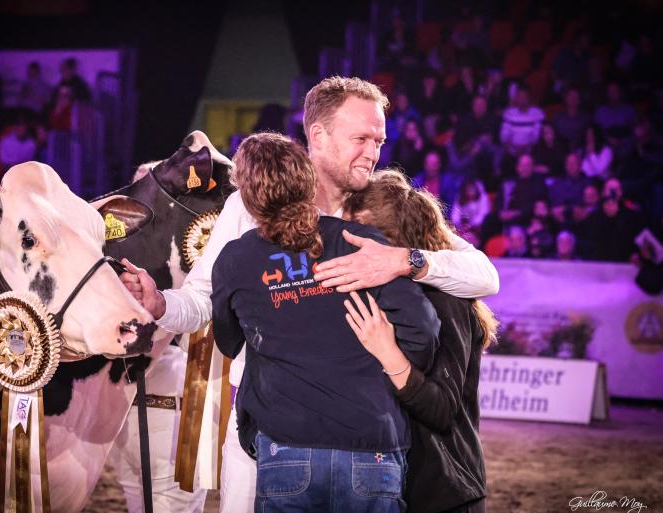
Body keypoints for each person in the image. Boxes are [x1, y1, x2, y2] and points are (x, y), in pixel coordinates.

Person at [120, 76, 499, 513]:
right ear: (317, 135)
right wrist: (161, 303)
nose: (373, 152)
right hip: (269, 433)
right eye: (361, 138)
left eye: (379, 140)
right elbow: (203, 298)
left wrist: (404, 260)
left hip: (367, 433)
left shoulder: (379, 204)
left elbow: (484, 274)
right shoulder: (249, 206)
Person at [211, 133, 440, 512]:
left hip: (287, 447)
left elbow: (229, 341)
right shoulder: (358, 240)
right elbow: (424, 332)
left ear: (248, 197)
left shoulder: (236, 260)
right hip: (371, 444)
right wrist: (388, 366)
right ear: (308, 180)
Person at [342, 170, 497, 513]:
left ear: (387, 241)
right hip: (398, 487)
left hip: (444, 491)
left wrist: (388, 353)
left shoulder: (447, 301)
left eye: (356, 233)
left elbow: (441, 409)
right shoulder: (388, 294)